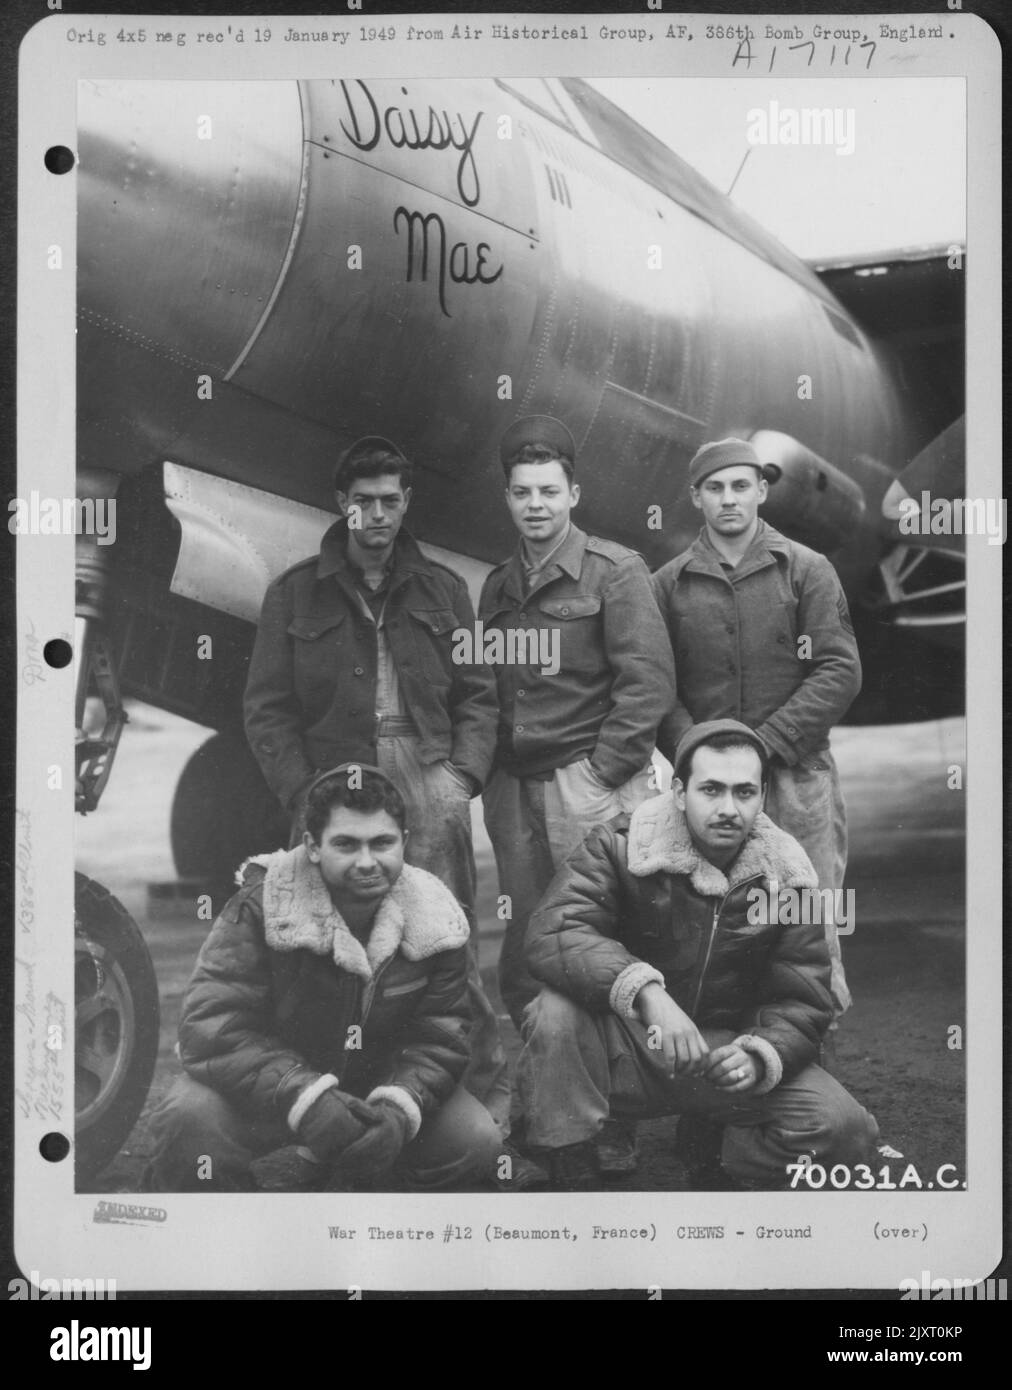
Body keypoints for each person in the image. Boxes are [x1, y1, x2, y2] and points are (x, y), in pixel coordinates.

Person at [242, 435, 509, 1127]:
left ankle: (478, 1108)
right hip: (334, 786)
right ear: (343, 504)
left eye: (391, 500)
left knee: (447, 938)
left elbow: (479, 694)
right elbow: (267, 709)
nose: (378, 515)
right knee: (322, 947)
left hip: (427, 771)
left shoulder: (445, 590)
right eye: (364, 501)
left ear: (406, 502)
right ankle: (329, 1110)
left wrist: (459, 778)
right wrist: (304, 795)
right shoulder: (295, 592)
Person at [517, 720, 879, 1191]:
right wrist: (645, 991)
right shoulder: (620, 844)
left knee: (846, 1132)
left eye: (744, 792)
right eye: (711, 789)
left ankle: (719, 1149)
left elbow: (805, 998)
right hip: (631, 1048)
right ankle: (572, 1170)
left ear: (763, 796)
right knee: (554, 1012)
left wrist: (760, 1054)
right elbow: (555, 930)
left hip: (724, 1055)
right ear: (679, 792)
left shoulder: (790, 875)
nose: (728, 808)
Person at [147, 766, 502, 1192]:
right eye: (346, 844)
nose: (367, 862)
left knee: (476, 1141)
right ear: (313, 846)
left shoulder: (436, 915)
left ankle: (380, 1200)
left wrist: (397, 1110)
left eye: (382, 843)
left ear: (404, 841)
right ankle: (237, 1226)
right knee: (191, 1119)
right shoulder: (260, 908)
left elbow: (441, 1037)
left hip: (377, 1092)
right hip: (274, 1091)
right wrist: (308, 1099)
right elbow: (210, 1027)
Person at [652, 438, 862, 1013]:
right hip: (709, 789)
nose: (729, 499)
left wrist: (764, 746)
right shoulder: (667, 585)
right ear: (695, 497)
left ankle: (815, 1045)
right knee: (715, 924)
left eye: (741, 486)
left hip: (797, 778)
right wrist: (699, 757)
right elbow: (656, 687)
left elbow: (839, 669)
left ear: (763, 491)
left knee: (808, 920)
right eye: (715, 488)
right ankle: (728, 1051)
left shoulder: (807, 570)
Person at [479, 415, 675, 1029]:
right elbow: (490, 686)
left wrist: (601, 773)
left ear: (574, 495)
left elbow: (648, 682)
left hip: (583, 782)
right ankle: (543, 1067)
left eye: (548, 491)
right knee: (527, 936)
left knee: (601, 927)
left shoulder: (615, 570)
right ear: (508, 498)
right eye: (522, 492)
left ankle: (623, 1073)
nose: (535, 505)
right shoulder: (498, 586)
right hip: (515, 789)